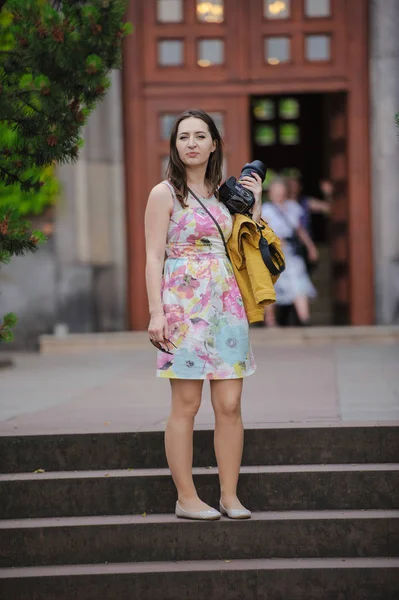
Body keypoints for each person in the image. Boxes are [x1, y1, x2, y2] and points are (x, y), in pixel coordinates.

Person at [144, 109, 263, 521]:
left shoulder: (226, 194)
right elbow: (152, 255)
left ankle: (229, 495)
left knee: (229, 403)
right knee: (187, 403)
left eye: (200, 136)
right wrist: (155, 312)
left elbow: (245, 246)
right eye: (183, 137)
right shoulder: (164, 194)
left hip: (226, 301)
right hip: (182, 304)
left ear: (214, 144)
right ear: (175, 147)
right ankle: (187, 497)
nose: (191, 143)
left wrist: (256, 204)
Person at [262, 177, 318, 327]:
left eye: (281, 191)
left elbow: (300, 230)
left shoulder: (292, 207)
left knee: (299, 284)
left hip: (291, 252)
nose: (279, 194)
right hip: (273, 253)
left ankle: (305, 319)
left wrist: (311, 247)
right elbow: (261, 232)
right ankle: (270, 321)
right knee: (272, 287)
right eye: (276, 192)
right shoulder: (265, 210)